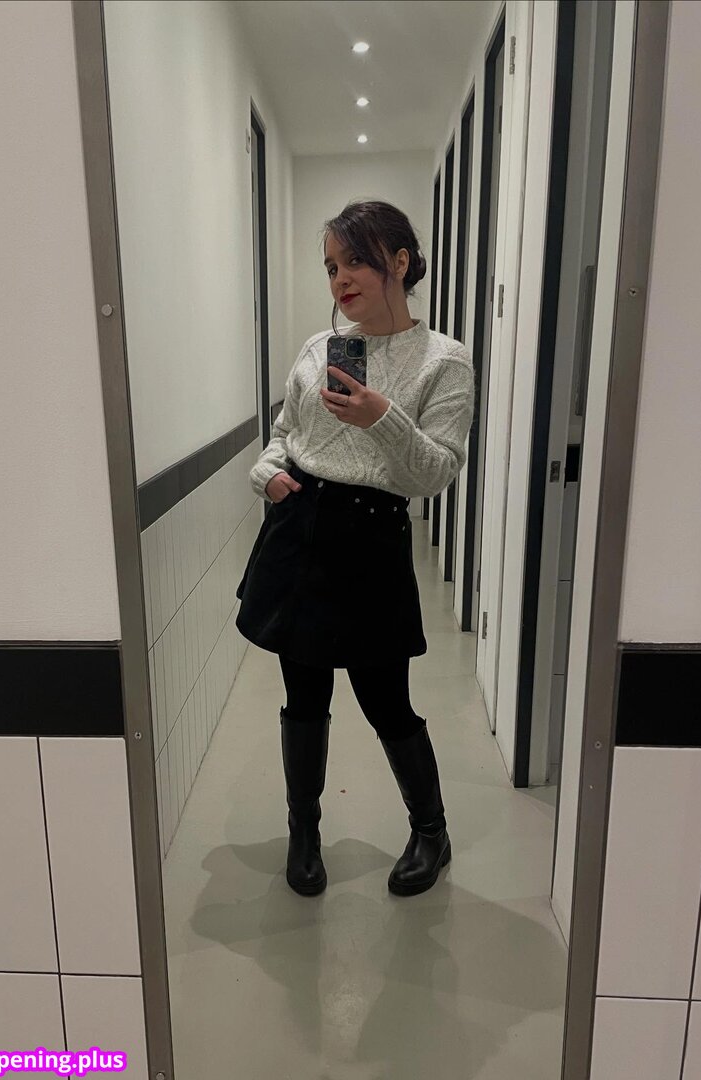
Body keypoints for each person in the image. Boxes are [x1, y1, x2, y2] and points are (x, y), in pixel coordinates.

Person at [236, 200, 475, 898]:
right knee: (303, 696)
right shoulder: (319, 348)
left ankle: (431, 830)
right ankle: (304, 834)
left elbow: (435, 473)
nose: (340, 279)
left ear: (399, 262)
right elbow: (286, 434)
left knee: (386, 700)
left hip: (372, 538)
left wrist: (382, 417)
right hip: (299, 527)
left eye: (355, 262)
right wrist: (266, 473)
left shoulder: (445, 360)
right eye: (331, 267)